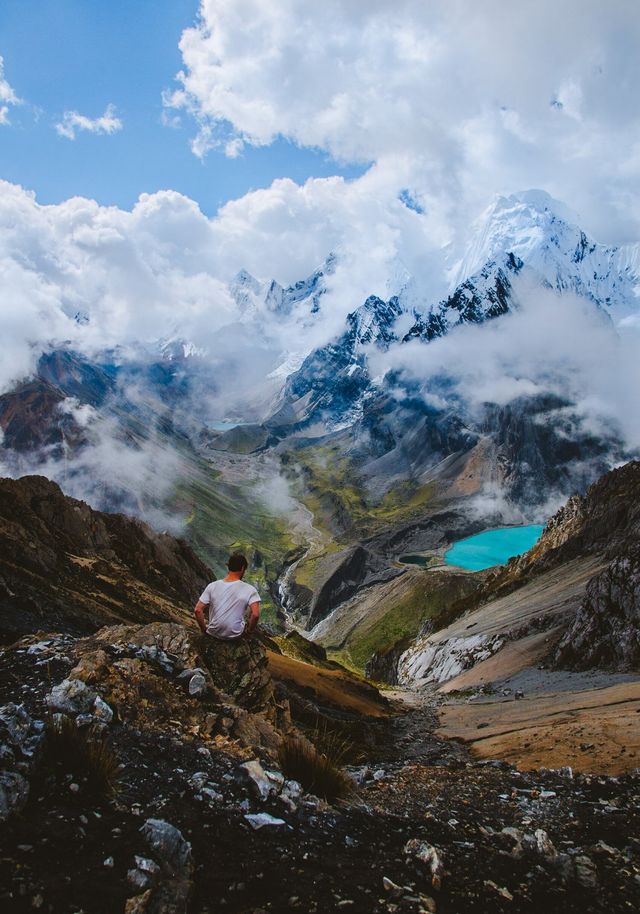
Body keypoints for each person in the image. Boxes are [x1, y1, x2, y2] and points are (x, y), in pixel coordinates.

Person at [194, 551, 261, 640]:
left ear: (228, 567)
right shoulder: (250, 589)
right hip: (235, 635)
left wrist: (204, 630)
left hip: (213, 632)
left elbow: (198, 610)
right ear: (242, 568)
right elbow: (255, 615)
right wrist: (249, 632)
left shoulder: (212, 586)